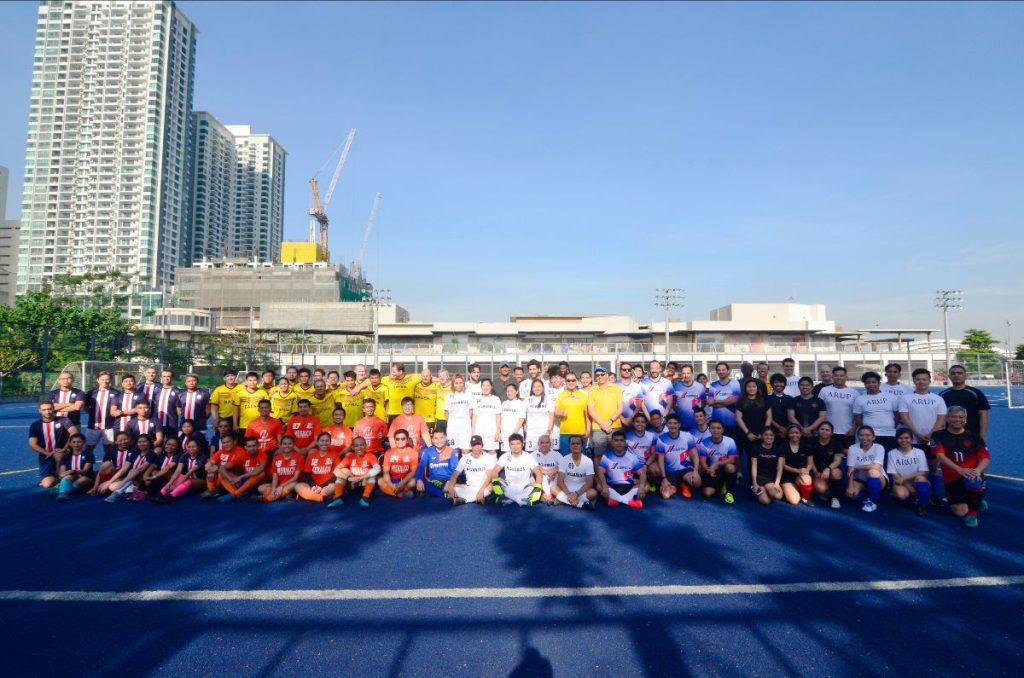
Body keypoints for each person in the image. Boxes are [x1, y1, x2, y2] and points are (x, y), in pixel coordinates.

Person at [932, 406, 990, 528]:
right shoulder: (938, 435)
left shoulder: (974, 437)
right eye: (954, 416)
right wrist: (959, 469)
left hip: (970, 474)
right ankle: (976, 499)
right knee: (960, 511)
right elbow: (940, 456)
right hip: (952, 476)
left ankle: (973, 514)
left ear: (966, 420)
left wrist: (978, 470)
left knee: (973, 481)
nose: (957, 419)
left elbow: (985, 458)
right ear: (947, 419)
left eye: (961, 417)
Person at [898, 368, 948, 503]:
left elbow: (941, 419)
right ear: (914, 381)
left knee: (933, 467)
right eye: (918, 379)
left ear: (929, 381)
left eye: (924, 379)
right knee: (913, 468)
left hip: (932, 439)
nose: (921, 382)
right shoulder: (906, 398)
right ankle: (915, 494)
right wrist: (917, 433)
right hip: (912, 439)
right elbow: (904, 417)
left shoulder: (938, 399)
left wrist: (931, 435)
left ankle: (935, 495)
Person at [28, 399, 78, 489]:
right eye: (44, 410)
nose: (47, 412)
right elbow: (32, 444)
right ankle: (59, 477)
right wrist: (48, 453)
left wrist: (64, 449)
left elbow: (74, 432)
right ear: (39, 410)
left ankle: (63, 477)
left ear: (53, 408)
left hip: (63, 454)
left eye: (49, 409)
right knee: (47, 484)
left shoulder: (63, 420)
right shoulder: (35, 425)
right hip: (47, 456)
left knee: (58, 456)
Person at [853, 371, 900, 462]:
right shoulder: (860, 399)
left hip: (889, 434)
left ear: (879, 383)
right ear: (865, 384)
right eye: (868, 382)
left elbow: (897, 415)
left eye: (874, 382)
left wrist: (891, 425)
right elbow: (858, 418)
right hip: (870, 437)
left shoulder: (891, 397)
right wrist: (867, 431)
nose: (871, 385)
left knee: (889, 461)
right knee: (873, 462)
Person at [597, 430, 646, 509]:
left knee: (645, 486)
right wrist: (605, 486)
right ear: (612, 442)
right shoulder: (606, 456)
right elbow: (600, 472)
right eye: (616, 440)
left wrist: (641, 487)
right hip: (613, 487)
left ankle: (616, 499)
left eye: (621, 440)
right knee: (599, 485)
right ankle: (628, 501)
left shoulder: (632, 457)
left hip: (629, 486)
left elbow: (642, 473)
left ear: (625, 442)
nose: (619, 443)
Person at [655, 413, 700, 500]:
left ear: (679, 425)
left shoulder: (687, 436)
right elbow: (660, 460)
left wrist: (695, 471)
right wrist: (664, 478)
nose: (672, 425)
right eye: (670, 423)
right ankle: (677, 484)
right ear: (667, 425)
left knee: (697, 482)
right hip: (670, 472)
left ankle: (684, 483)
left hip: (685, 469)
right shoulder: (661, 439)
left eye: (675, 423)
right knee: (665, 496)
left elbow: (695, 455)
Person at [886, 430, 930, 516]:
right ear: (897, 439)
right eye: (900, 438)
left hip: (915, 480)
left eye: (907, 438)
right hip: (901, 482)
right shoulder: (892, 453)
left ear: (912, 439)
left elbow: (923, 471)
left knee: (921, 479)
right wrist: (908, 486)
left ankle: (921, 506)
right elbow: (894, 473)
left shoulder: (919, 452)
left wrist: (904, 478)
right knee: (901, 495)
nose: (904, 440)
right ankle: (911, 499)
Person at [491, 433, 543, 506]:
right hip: (509, 486)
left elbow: (538, 472)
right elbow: (495, 470)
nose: (515, 446)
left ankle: (508, 499)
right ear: (509, 445)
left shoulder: (529, 456)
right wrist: (495, 481)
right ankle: (522, 501)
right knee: (497, 481)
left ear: (523, 444)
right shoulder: (505, 456)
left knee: (536, 485)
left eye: (518, 443)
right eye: (513, 444)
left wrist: (537, 488)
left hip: (525, 487)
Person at [445, 435, 499, 505]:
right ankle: (477, 498)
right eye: (474, 445)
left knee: (495, 484)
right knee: (447, 485)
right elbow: (455, 475)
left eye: (479, 444)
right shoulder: (464, 459)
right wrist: (451, 487)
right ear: (470, 446)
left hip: (484, 487)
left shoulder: (488, 458)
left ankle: (465, 500)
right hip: (469, 488)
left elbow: (489, 476)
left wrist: (481, 490)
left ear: (482, 445)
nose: (477, 447)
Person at [940, 365, 991, 439]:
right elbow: (940, 417)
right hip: (949, 437)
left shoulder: (976, 393)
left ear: (965, 376)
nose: (956, 375)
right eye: (953, 373)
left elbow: (983, 415)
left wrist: (982, 437)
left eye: (959, 373)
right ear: (949, 376)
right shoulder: (943, 395)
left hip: (972, 435)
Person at [586, 365, 623, 465]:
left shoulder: (616, 388)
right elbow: (591, 410)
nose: (599, 376)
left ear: (607, 375)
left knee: (616, 453)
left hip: (615, 426)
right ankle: (599, 479)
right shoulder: (592, 390)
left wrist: (610, 421)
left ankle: (614, 478)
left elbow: (620, 408)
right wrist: (602, 423)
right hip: (598, 427)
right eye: (597, 375)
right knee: (598, 455)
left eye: (602, 374)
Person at [102, 434, 155, 503]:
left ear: (149, 442)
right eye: (139, 442)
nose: (142, 444)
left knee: (133, 471)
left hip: (144, 479)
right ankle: (132, 489)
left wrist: (122, 482)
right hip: (132, 478)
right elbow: (124, 469)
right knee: (111, 487)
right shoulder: (135, 452)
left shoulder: (152, 454)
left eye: (145, 441)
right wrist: (109, 482)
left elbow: (140, 469)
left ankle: (119, 492)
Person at [735, 377, 772, 477]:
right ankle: (752, 482)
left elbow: (769, 416)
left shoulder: (763, 400)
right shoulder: (741, 400)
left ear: (757, 388)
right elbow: (738, 418)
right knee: (750, 459)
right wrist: (748, 433)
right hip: (746, 435)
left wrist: (764, 432)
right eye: (749, 386)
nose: (751, 388)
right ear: (745, 388)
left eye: (753, 386)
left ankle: (763, 480)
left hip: (761, 434)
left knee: (762, 458)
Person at [845, 425, 887, 513]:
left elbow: (876, 466)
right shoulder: (852, 448)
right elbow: (850, 469)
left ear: (873, 437)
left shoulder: (879, 447)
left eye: (867, 435)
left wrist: (856, 466)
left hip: (878, 479)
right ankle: (870, 495)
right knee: (851, 495)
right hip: (860, 480)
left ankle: (872, 502)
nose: (864, 438)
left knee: (872, 471)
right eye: (861, 435)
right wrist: (850, 486)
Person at [331, 436, 380, 508]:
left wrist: (361, 478)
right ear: (353, 447)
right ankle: (338, 499)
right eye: (356, 446)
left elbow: (377, 468)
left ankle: (364, 499)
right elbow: (335, 470)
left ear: (365, 446)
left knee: (372, 473)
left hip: (364, 483)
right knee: (344, 470)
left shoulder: (370, 456)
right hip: (352, 484)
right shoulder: (350, 456)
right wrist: (348, 478)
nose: (359, 448)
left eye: (361, 445)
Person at [215, 436, 268, 503]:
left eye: (254, 446)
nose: (252, 448)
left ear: (258, 445)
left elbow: (260, 469)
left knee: (261, 473)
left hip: (259, 484)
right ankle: (237, 494)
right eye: (249, 446)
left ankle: (235, 494)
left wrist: (240, 477)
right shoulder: (242, 455)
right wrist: (231, 479)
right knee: (221, 474)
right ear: (245, 448)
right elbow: (222, 467)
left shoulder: (263, 455)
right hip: (245, 482)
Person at [698, 421, 739, 504]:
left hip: (724, 469)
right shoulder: (704, 443)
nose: (716, 430)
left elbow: (732, 459)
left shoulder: (730, 442)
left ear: (723, 430)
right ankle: (720, 484)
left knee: (730, 467)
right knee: (707, 493)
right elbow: (702, 461)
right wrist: (708, 469)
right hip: (712, 471)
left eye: (718, 428)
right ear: (709, 429)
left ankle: (729, 492)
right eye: (713, 428)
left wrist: (716, 464)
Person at [818, 366, 858, 451]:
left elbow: (858, 414)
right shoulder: (824, 391)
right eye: (836, 375)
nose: (839, 377)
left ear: (846, 377)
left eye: (841, 375)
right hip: (828, 432)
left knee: (848, 458)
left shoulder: (854, 393)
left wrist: (854, 428)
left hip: (848, 432)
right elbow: (819, 411)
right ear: (832, 377)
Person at [157, 437, 208, 502]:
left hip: (200, 482)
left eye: (193, 447)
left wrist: (176, 485)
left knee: (187, 481)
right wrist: (170, 482)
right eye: (189, 447)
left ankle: (171, 496)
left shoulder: (202, 457)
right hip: (188, 478)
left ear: (199, 447)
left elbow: (190, 472)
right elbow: (178, 470)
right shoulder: (184, 456)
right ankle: (162, 493)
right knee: (178, 476)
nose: (191, 449)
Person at [294, 432, 340, 503]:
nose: (324, 443)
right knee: (297, 486)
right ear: (317, 442)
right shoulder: (311, 455)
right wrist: (313, 486)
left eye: (327, 441)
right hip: (313, 485)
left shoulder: (335, 455)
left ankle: (308, 496)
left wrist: (321, 487)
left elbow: (336, 474)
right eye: (322, 441)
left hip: (327, 486)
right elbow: (306, 474)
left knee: (333, 487)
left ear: (330, 442)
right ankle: (321, 498)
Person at [256, 435, 302, 503]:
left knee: (294, 485)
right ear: (280, 445)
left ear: (293, 445)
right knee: (260, 488)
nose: (287, 446)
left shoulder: (299, 457)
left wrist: (281, 486)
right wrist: (274, 489)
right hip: (279, 484)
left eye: (289, 443)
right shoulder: (276, 458)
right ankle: (283, 494)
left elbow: (296, 477)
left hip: (292, 483)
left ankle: (267, 498)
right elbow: (275, 477)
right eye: (285, 444)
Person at [415, 430, 460, 499]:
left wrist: (450, 482)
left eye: (441, 438)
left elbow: (456, 469)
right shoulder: (428, 451)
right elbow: (421, 466)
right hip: (433, 480)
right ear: (432, 440)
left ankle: (441, 492)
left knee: (457, 487)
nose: (439, 441)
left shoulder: (451, 451)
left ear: (445, 438)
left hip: (447, 479)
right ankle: (445, 495)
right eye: (436, 438)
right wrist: (419, 480)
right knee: (426, 484)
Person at [555, 437, 597, 509]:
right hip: (567, 489)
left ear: (582, 446)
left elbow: (589, 483)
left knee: (593, 493)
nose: (575, 446)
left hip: (581, 491)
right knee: (553, 488)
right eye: (573, 444)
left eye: (578, 443)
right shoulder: (564, 459)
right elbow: (560, 481)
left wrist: (576, 494)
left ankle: (563, 500)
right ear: (570, 446)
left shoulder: (588, 461)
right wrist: (568, 494)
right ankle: (581, 504)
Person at [809, 421, 844, 508]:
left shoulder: (837, 443)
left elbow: (837, 461)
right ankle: (825, 490)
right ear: (818, 430)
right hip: (818, 471)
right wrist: (816, 471)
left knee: (836, 473)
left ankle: (835, 498)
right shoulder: (812, 441)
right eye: (822, 429)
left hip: (832, 469)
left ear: (831, 433)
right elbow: (810, 459)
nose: (824, 431)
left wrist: (828, 469)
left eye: (827, 430)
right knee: (821, 488)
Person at [84, 371, 119, 456]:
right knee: (87, 449)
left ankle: (108, 468)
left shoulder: (116, 393)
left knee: (109, 450)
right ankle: (88, 468)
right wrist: (93, 414)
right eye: (102, 379)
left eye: (107, 379)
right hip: (93, 426)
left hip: (109, 426)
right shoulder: (91, 393)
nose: (105, 381)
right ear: (98, 380)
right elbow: (85, 406)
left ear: (110, 380)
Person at [378, 429, 420, 498]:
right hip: (393, 479)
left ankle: (391, 492)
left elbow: (413, 472)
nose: (400, 441)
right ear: (394, 440)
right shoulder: (389, 452)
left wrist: (402, 483)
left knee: (413, 482)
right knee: (379, 481)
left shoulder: (413, 453)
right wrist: (391, 485)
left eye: (403, 438)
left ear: (407, 440)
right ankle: (401, 494)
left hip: (406, 479)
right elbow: (386, 472)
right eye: (397, 439)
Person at [554, 373, 589, 454]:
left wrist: (588, 430)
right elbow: (556, 412)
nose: (571, 382)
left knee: (581, 459)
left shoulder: (583, 395)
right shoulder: (560, 395)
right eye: (568, 380)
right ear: (565, 382)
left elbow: (587, 415)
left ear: (576, 381)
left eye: (573, 380)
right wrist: (562, 413)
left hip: (580, 432)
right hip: (565, 432)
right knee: (565, 458)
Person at [780, 424, 814, 506]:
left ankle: (805, 498)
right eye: (792, 433)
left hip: (801, 474)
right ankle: (788, 489)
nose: (794, 435)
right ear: (788, 434)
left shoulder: (806, 446)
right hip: (787, 476)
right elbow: (783, 465)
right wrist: (798, 470)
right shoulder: (783, 446)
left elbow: (810, 463)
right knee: (794, 501)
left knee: (806, 478)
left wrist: (806, 470)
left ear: (801, 434)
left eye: (797, 432)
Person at [55, 433, 94, 501]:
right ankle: (62, 494)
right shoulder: (66, 456)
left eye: (79, 442)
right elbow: (61, 473)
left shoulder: (89, 455)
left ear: (83, 443)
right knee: (67, 477)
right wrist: (71, 473)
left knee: (83, 479)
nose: (76, 444)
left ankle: (63, 489)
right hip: (72, 477)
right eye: (74, 442)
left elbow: (85, 471)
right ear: (70, 443)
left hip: (86, 479)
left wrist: (72, 471)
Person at [750, 428, 784, 505]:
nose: (769, 437)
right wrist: (755, 483)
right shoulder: (756, 449)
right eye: (766, 435)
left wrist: (777, 483)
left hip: (770, 479)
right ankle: (758, 489)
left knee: (778, 496)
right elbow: (754, 468)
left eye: (771, 435)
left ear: (774, 437)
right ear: (762, 436)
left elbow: (779, 468)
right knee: (766, 501)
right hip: (759, 478)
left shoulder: (779, 449)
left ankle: (766, 489)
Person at [624, 412, 659, 487]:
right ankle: (641, 482)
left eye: (642, 422)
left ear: (646, 423)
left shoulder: (652, 436)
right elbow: (623, 454)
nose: (640, 424)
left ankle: (646, 481)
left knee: (656, 469)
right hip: (632, 465)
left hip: (646, 464)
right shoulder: (626, 436)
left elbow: (653, 454)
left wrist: (646, 465)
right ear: (633, 423)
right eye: (637, 421)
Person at [787, 376, 827, 442]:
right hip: (797, 435)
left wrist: (809, 429)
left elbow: (822, 417)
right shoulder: (793, 400)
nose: (804, 387)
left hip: (815, 434)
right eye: (802, 385)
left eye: (807, 385)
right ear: (798, 387)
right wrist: (802, 429)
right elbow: (790, 416)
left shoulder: (819, 401)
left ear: (812, 387)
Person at [708, 362, 741, 439]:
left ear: (728, 371)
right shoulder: (713, 385)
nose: (721, 372)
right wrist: (727, 401)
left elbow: (734, 400)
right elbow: (710, 402)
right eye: (719, 370)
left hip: (732, 423)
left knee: (732, 447)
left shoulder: (735, 383)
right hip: (716, 425)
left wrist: (716, 401)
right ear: (716, 372)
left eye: (723, 369)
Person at [202, 432, 240, 498]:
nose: (226, 444)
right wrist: (210, 471)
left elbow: (229, 466)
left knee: (221, 473)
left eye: (228, 442)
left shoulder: (239, 451)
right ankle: (212, 490)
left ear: (234, 441)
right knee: (211, 473)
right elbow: (208, 465)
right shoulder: (221, 451)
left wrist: (215, 468)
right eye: (224, 443)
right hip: (223, 475)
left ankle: (236, 493)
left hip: (236, 477)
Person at [471, 378, 502, 453]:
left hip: (492, 432)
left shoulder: (496, 399)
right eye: (484, 385)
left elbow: (498, 417)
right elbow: (474, 417)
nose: (486, 387)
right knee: (479, 453)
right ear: (481, 387)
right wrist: (473, 433)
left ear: (491, 387)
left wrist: (497, 432)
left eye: (488, 385)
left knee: (492, 452)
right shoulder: (477, 400)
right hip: (479, 431)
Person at [671, 364, 705, 431]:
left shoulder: (700, 386)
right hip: (680, 424)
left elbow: (704, 403)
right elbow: (672, 404)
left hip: (696, 424)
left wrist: (697, 411)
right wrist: (681, 410)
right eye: (684, 373)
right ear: (681, 374)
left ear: (692, 373)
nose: (686, 375)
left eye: (688, 373)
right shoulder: (675, 387)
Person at [524, 378, 554, 454]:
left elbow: (551, 417)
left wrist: (548, 431)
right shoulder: (527, 400)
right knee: (531, 454)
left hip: (544, 432)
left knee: (546, 454)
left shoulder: (548, 399)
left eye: (539, 386)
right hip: (531, 432)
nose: (537, 388)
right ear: (532, 388)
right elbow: (523, 415)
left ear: (543, 388)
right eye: (534, 386)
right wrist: (524, 423)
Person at [444, 374, 474, 450]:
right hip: (452, 427)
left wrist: (466, 420)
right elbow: (446, 411)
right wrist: (451, 422)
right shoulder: (449, 396)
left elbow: (471, 410)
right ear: (453, 384)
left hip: (465, 426)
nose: (458, 385)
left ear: (463, 383)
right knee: (453, 450)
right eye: (456, 383)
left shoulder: (468, 395)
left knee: (465, 450)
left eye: (460, 382)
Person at [112, 374, 144, 440]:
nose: (128, 383)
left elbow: (139, 409)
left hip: (135, 426)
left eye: (131, 381)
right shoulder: (117, 396)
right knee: (118, 447)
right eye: (126, 381)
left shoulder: (140, 395)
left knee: (135, 447)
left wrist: (121, 412)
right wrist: (131, 411)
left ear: (134, 383)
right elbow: (112, 412)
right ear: (122, 384)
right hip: (118, 426)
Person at [531, 434, 561, 502]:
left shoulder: (556, 454)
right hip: (540, 477)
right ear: (538, 444)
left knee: (559, 474)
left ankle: (546, 494)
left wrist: (555, 470)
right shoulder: (533, 454)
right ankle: (548, 494)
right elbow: (531, 467)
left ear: (550, 444)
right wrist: (544, 471)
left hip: (553, 477)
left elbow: (564, 467)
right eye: (542, 442)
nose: (544, 445)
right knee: (540, 474)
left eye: (547, 442)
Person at [152, 369, 181, 440]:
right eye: (164, 376)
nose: (166, 378)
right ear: (161, 377)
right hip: (157, 422)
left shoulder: (177, 391)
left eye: (168, 376)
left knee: (171, 445)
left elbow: (179, 409)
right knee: (156, 444)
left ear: (172, 378)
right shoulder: (156, 390)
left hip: (171, 423)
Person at [499, 383, 526, 452]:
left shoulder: (521, 404)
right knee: (506, 456)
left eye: (511, 391)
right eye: (508, 391)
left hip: (515, 436)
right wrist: (500, 433)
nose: (509, 393)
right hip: (504, 435)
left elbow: (521, 420)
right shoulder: (504, 403)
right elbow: (501, 419)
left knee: (516, 456)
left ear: (516, 391)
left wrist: (513, 435)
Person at [765, 374, 792, 439]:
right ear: (772, 384)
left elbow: (792, 416)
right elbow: (766, 416)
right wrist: (779, 427)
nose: (778, 384)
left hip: (788, 431)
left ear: (784, 384)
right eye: (776, 382)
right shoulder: (767, 398)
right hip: (771, 432)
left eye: (781, 382)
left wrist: (786, 429)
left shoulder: (790, 399)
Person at [413, 368, 439, 432]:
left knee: (428, 440)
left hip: (430, 419)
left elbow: (445, 382)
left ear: (431, 376)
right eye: (423, 376)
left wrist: (436, 379)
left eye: (427, 376)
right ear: (420, 377)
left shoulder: (436, 386)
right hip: (417, 419)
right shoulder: (415, 386)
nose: (425, 378)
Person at [434, 369, 452, 434]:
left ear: (447, 377)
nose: (442, 377)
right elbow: (431, 378)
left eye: (444, 375)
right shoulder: (437, 385)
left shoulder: (453, 387)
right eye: (440, 376)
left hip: (450, 418)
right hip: (439, 419)